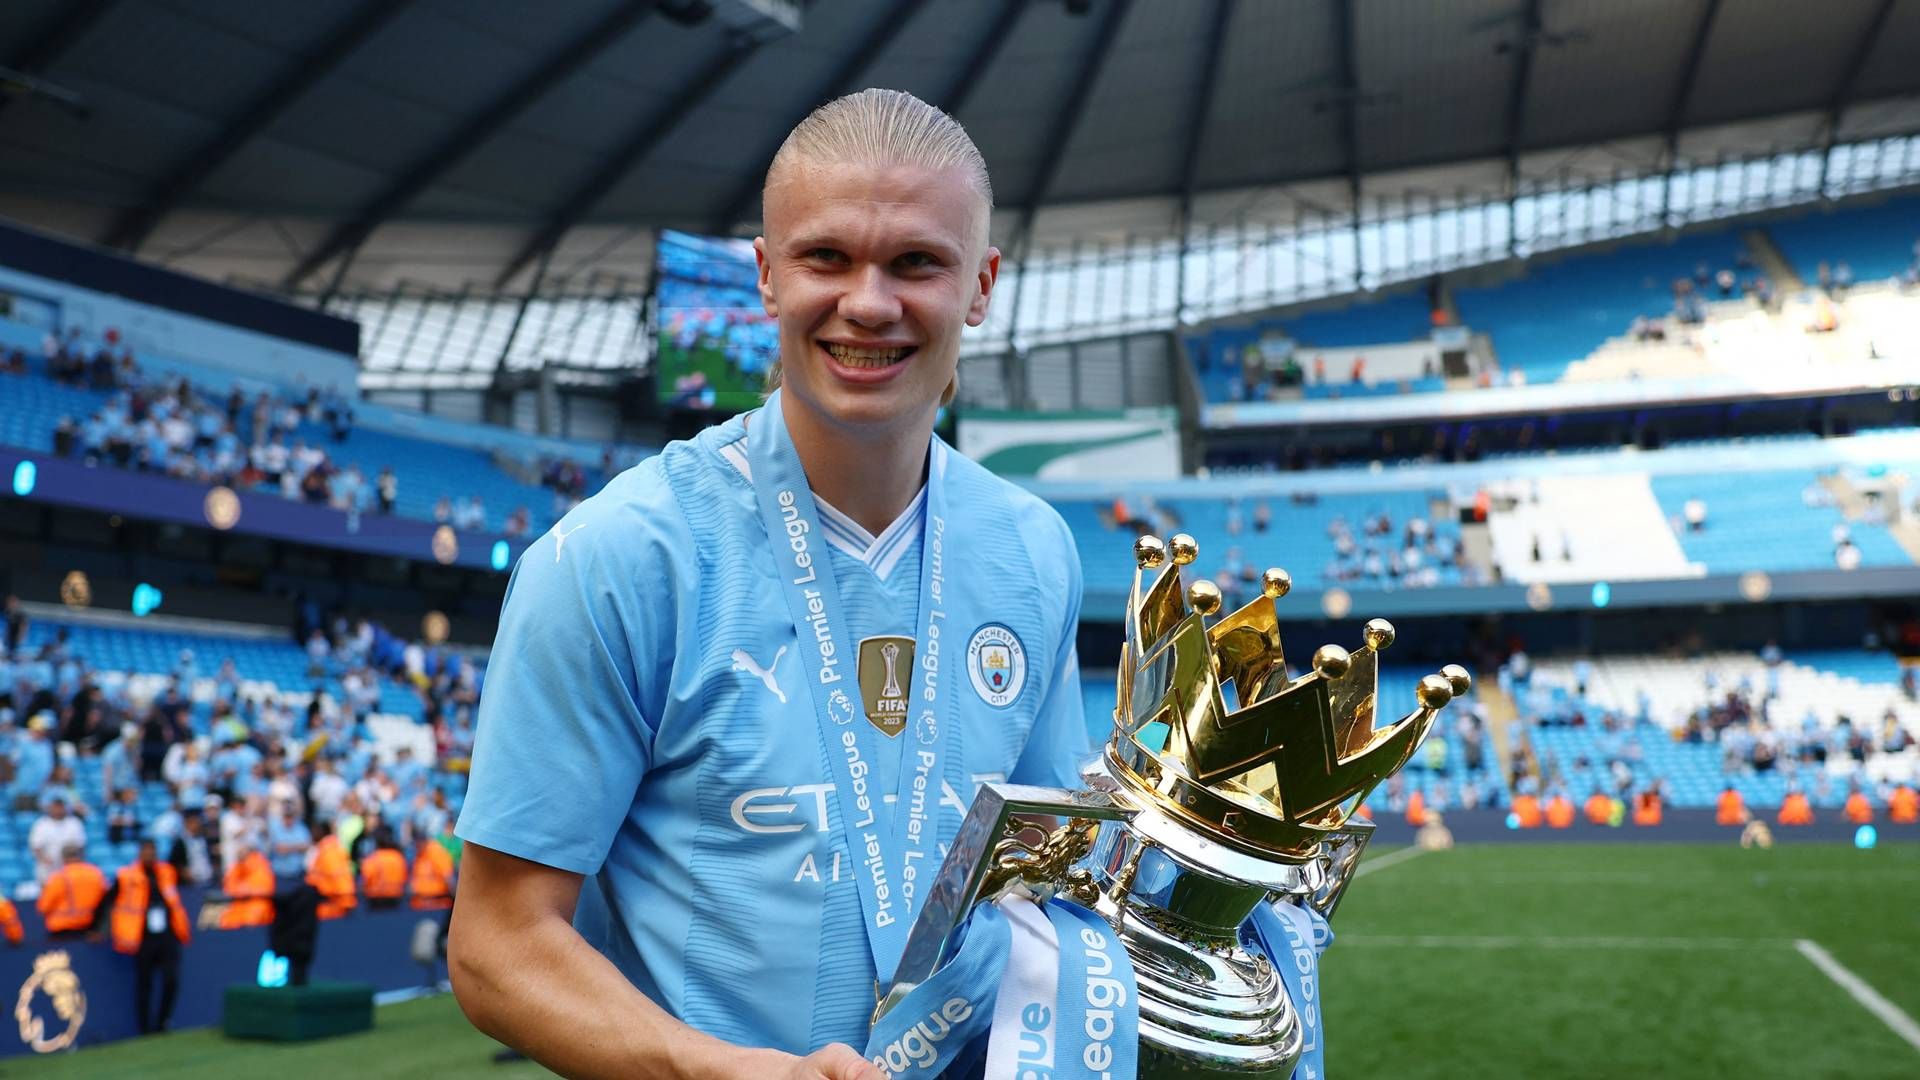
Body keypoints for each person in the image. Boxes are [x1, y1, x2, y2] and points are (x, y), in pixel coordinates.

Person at [450, 90, 1087, 1079]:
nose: (870, 302)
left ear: (982, 285)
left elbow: (1048, 871)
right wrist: (727, 1072)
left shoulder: (1036, 549)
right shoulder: (617, 557)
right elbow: (495, 945)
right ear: (765, 275)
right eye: (827, 257)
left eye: (916, 261)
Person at [96, 839, 191, 1034]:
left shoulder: (166, 872)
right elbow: (107, 901)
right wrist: (98, 929)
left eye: (153, 852)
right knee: (144, 984)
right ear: (140, 853)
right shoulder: (126, 876)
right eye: (146, 852)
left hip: (166, 934)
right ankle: (145, 1027)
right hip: (142, 936)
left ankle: (163, 1021)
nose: (150, 855)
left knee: (171, 979)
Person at [37, 844, 108, 936]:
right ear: (82, 856)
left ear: (63, 858)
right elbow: (106, 900)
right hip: (91, 928)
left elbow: (43, 907)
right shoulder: (96, 874)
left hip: (63, 930)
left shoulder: (59, 878)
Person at [306, 815, 357, 920]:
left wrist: (347, 903)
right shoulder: (324, 849)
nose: (311, 834)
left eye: (314, 830)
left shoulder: (330, 852)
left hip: (332, 909)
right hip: (324, 905)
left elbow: (340, 877)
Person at [219, 840, 277, 929]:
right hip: (239, 905)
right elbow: (228, 888)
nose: (240, 854)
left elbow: (266, 890)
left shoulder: (262, 866)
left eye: (243, 851)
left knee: (254, 915)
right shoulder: (237, 866)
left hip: (259, 906)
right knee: (226, 919)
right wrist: (242, 890)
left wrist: (247, 890)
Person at [28, 796, 86, 883]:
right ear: (50, 808)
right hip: (48, 870)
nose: (58, 809)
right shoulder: (41, 824)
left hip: (70, 868)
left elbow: (81, 846)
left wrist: (75, 862)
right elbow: (36, 846)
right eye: (56, 806)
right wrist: (45, 859)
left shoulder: (74, 823)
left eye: (61, 806)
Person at [360, 827, 408, 909]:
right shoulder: (398, 857)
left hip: (376, 901)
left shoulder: (373, 858)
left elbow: (365, 880)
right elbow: (405, 877)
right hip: (396, 900)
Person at [408, 834, 454, 911]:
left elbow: (448, 877)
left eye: (418, 844)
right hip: (420, 903)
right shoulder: (418, 855)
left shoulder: (436, 852)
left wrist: (454, 897)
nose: (416, 847)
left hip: (438, 903)